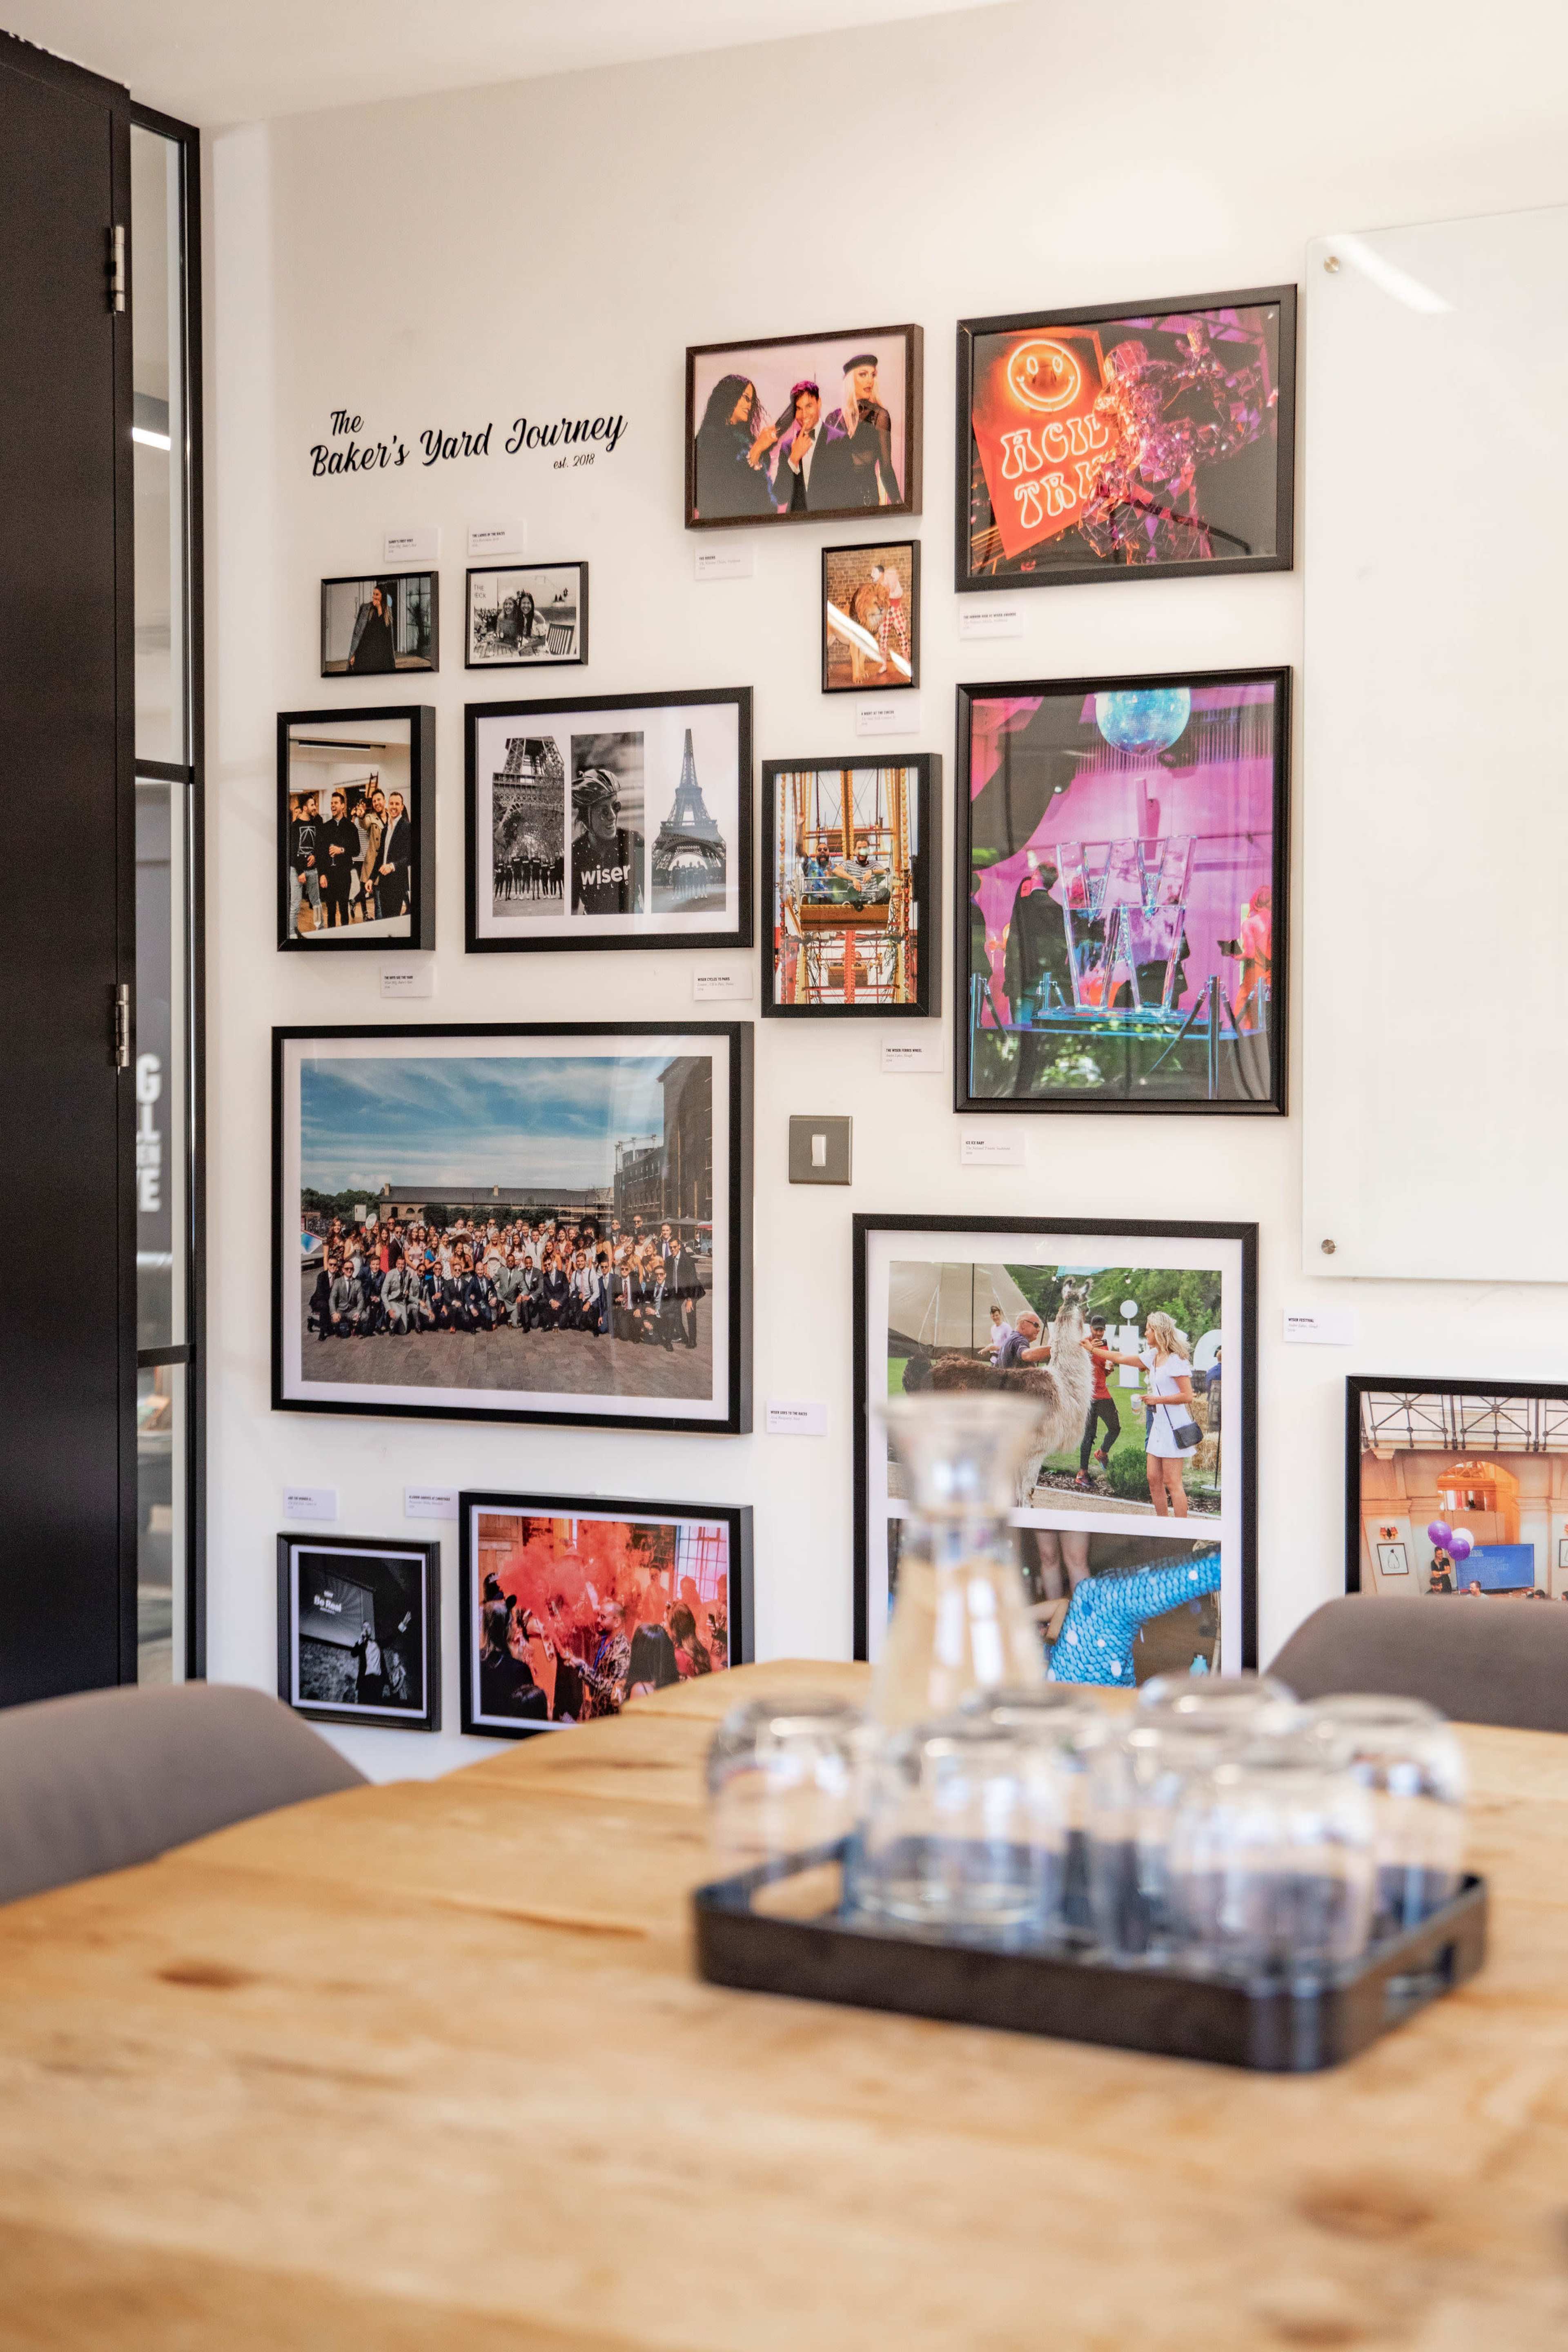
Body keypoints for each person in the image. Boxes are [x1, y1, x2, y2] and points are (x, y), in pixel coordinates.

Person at [1048, 1550, 1222, 1687]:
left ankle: (1219, 1562)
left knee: (1105, 1585)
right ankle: (1221, 1565)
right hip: (1067, 1678)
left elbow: (1061, 1605)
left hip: (1067, 1664)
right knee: (1099, 1595)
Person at [806, 354, 901, 510]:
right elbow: (823, 469)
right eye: (863, 375)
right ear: (850, 380)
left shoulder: (880, 416)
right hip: (835, 503)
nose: (870, 380)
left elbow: (886, 468)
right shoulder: (833, 418)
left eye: (872, 375)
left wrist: (898, 503)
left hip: (865, 501)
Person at [1137, 1312, 1198, 1518]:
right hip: (1159, 1425)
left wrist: (1157, 1400)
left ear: (1158, 1332)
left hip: (1175, 1426)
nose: (1145, 1333)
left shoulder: (1176, 1360)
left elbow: (1188, 1396)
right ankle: (1163, 1525)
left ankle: (1181, 1531)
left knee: (1173, 1482)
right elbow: (1122, 1359)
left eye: (1148, 1329)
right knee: (1153, 1479)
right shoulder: (1154, 1356)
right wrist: (1092, 1350)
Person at [691, 374, 777, 520]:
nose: (750, 406)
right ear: (731, 396)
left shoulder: (745, 439)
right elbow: (724, 487)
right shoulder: (707, 439)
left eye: (751, 401)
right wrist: (756, 451)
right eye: (746, 398)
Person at [1076, 1314, 1141, 1490]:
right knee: (1089, 1435)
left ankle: (1102, 1453)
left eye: (1102, 1330)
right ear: (1090, 1328)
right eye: (1096, 1329)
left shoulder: (1104, 1345)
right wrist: (1089, 1351)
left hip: (1103, 1394)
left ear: (1105, 1330)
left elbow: (1104, 1370)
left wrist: (1109, 1370)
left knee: (1115, 1428)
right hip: (1089, 1396)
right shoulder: (1083, 1343)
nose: (1099, 1333)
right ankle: (1082, 1474)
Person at [571, 767, 643, 915]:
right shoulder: (575, 853)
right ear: (585, 821)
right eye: (604, 811)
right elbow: (571, 913)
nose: (613, 816)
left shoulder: (635, 842)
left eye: (616, 807)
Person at [769, 379, 823, 513]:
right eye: (799, 408)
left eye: (809, 406)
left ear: (819, 403)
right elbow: (780, 497)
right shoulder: (787, 447)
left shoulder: (838, 440)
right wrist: (794, 460)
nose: (804, 415)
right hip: (797, 527)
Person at [316, 789, 359, 929]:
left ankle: (345, 938)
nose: (333, 806)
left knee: (343, 910)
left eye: (336, 803)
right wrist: (322, 874)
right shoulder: (325, 827)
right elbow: (321, 853)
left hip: (344, 875)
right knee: (331, 911)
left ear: (343, 806)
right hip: (329, 876)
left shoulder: (351, 828)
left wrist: (341, 850)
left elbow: (356, 850)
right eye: (331, 803)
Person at [1232, 884, 1272, 1031]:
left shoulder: (1250, 923)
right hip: (1270, 976)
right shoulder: (1278, 921)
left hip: (1254, 976)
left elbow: (1250, 953)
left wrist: (1236, 956)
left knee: (1245, 1020)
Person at [288, 793, 322, 936]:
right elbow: (292, 851)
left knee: (317, 902)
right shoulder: (294, 827)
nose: (315, 807)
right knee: (295, 904)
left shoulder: (317, 822)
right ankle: (292, 933)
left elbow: (320, 844)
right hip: (297, 870)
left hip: (313, 869)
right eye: (312, 805)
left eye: (315, 804)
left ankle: (321, 930)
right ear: (304, 808)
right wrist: (301, 872)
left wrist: (315, 855)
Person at [347, 581, 397, 674]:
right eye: (374, 594)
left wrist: (379, 608)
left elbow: (386, 631)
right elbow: (361, 634)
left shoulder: (388, 610)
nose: (374, 597)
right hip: (367, 650)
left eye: (377, 594)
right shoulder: (366, 608)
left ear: (383, 596)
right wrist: (355, 654)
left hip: (382, 652)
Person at [378, 790, 411, 918]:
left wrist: (392, 866)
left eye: (397, 804)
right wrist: (371, 878)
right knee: (385, 920)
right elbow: (380, 856)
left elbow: (410, 857)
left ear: (402, 807)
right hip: (384, 882)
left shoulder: (407, 827)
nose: (394, 807)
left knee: (393, 920)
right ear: (388, 806)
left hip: (398, 883)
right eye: (392, 804)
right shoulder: (385, 830)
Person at [353, 1620, 386, 1704]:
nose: (367, 1629)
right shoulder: (361, 1644)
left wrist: (402, 1626)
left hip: (378, 1682)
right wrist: (361, 1640)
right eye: (364, 1627)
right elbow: (354, 1653)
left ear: (371, 1630)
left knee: (377, 1709)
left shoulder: (378, 1643)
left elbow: (390, 1639)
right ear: (362, 1630)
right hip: (365, 1681)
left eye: (369, 1627)